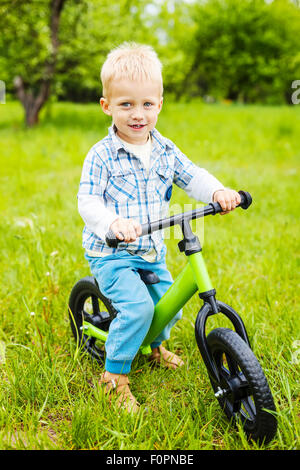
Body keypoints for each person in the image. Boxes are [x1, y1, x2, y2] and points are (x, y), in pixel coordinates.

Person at [77, 42, 241, 413]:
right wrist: (113, 223)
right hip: (113, 253)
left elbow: (191, 175)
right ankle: (114, 375)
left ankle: (154, 346)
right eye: (126, 105)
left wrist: (217, 190)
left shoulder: (165, 149)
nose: (138, 114)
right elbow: (87, 201)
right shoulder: (101, 155)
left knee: (170, 306)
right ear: (107, 106)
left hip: (151, 250)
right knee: (137, 309)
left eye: (147, 104)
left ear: (160, 104)